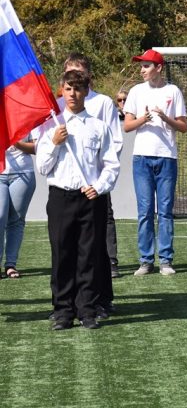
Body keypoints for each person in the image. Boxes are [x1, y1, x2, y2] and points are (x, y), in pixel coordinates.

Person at [36, 70, 120, 330]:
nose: (73, 94)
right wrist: (54, 143)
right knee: (62, 255)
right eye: (69, 89)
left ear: (86, 91)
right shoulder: (52, 126)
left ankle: (87, 309)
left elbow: (110, 164)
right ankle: (63, 311)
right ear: (61, 90)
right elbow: (42, 166)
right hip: (61, 197)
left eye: (78, 89)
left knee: (88, 256)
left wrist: (99, 186)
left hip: (89, 197)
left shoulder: (98, 126)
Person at [59, 53, 123, 287]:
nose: (74, 81)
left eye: (79, 73)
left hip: (95, 185)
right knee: (69, 246)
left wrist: (101, 180)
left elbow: (115, 142)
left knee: (98, 245)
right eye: (69, 73)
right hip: (68, 187)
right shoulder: (58, 105)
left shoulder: (103, 103)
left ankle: (102, 297)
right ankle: (72, 299)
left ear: (88, 77)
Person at [123, 49, 187, 276]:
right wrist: (144, 118)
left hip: (167, 157)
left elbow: (183, 126)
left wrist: (164, 117)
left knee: (166, 211)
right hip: (141, 158)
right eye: (141, 66)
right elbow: (127, 125)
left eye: (146, 66)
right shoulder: (136, 92)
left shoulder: (173, 91)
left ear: (158, 68)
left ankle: (166, 260)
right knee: (145, 210)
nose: (142, 70)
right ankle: (146, 260)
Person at [0, 137, 36, 279]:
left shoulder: (24, 115)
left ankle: (10, 264)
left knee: (17, 220)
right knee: (0, 217)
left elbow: (36, 147)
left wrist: (16, 144)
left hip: (23, 173)